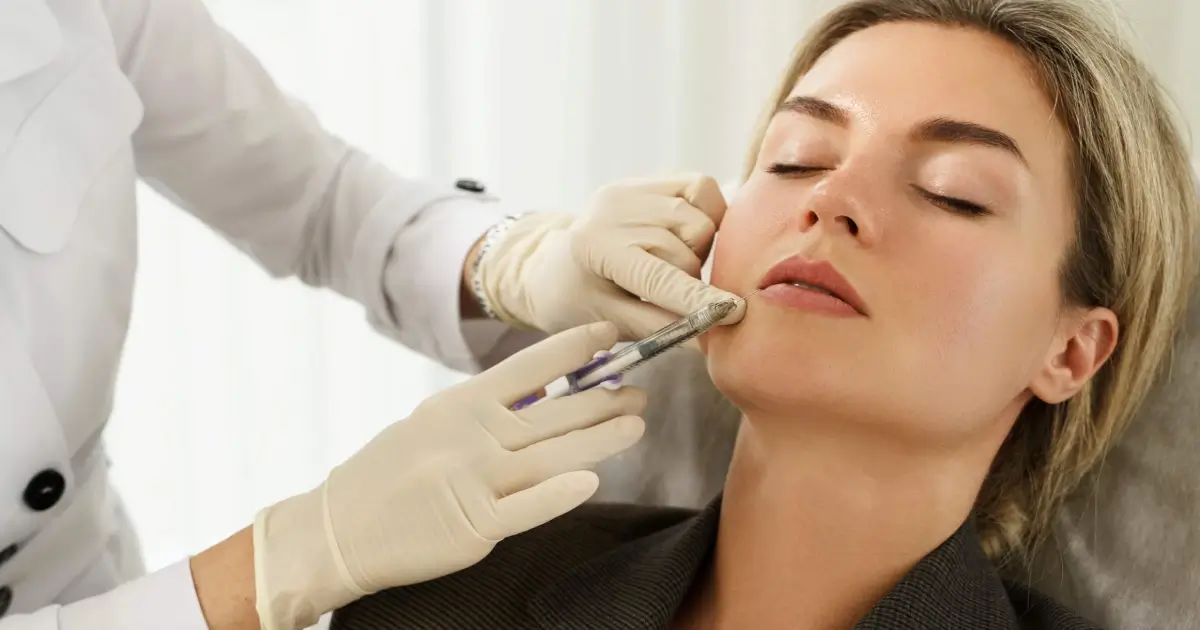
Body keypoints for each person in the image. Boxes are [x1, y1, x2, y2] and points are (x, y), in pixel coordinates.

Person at [326, 0, 1199, 628]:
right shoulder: (445, 584)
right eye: (795, 157)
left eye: (953, 193)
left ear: (1073, 351)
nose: (831, 198)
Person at [0, 0, 744, 629]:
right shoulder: (443, 606)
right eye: (798, 161)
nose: (830, 211)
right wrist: (287, 562)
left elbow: (320, 199)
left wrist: (514, 260)